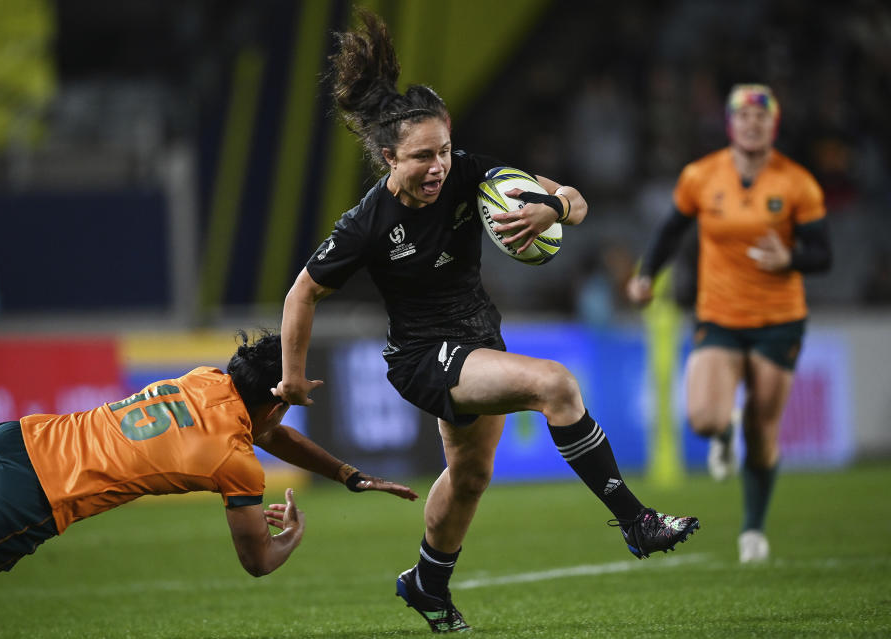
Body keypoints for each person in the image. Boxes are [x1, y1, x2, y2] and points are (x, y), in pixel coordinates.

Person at [272, 10, 699, 633]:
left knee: (470, 476)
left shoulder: (471, 174)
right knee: (555, 384)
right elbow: (301, 294)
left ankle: (426, 584)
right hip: (423, 357)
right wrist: (290, 378)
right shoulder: (367, 223)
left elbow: (576, 202)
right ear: (389, 156)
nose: (439, 165)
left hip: (477, 338)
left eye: (444, 149)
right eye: (423, 156)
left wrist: (548, 208)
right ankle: (637, 522)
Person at [0, 330, 417, 602]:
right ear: (274, 404)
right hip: (30, 498)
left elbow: (270, 431)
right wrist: (291, 534)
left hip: (7, 440)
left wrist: (346, 475)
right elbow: (258, 561)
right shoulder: (236, 462)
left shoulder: (205, 378)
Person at [626, 84, 832, 563]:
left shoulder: (797, 182)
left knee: (763, 430)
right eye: (742, 116)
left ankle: (753, 530)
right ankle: (723, 432)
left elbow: (824, 254)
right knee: (703, 418)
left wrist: (792, 257)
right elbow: (670, 231)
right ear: (730, 124)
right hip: (719, 315)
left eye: (761, 118)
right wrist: (646, 276)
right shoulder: (702, 175)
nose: (751, 124)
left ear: (772, 126)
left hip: (779, 319)